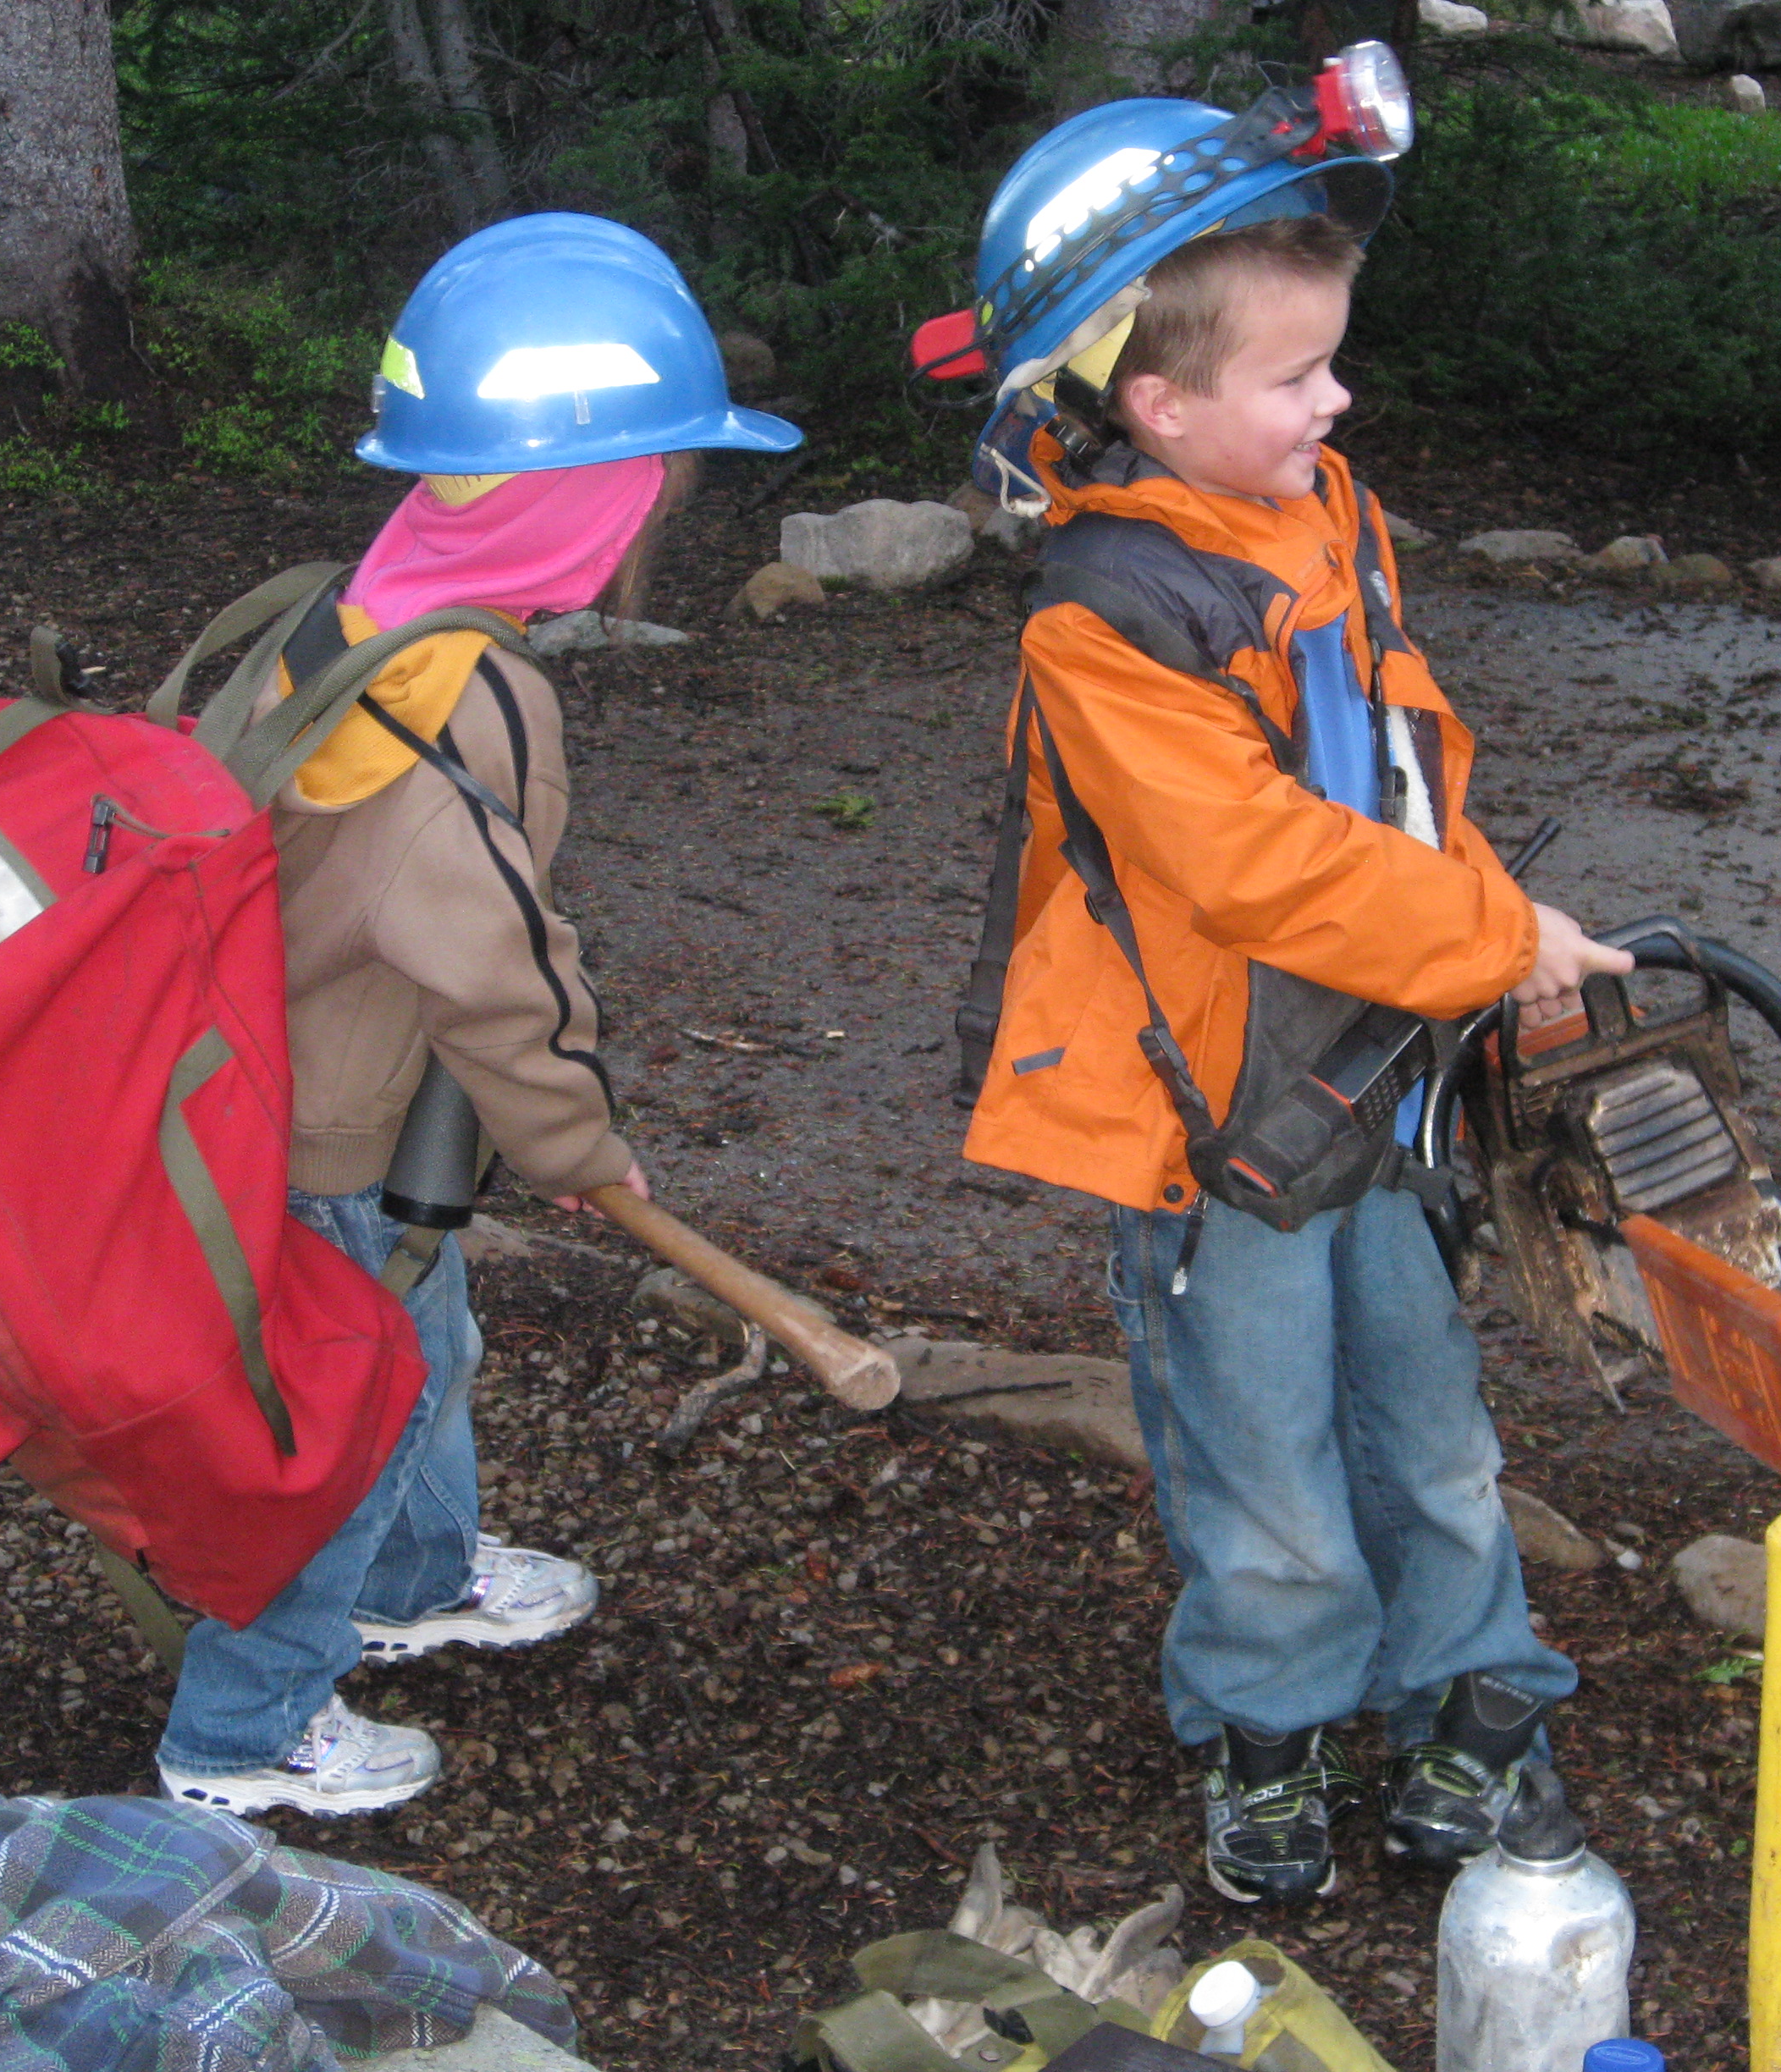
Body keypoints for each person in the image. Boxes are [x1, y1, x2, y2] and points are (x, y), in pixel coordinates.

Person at [940, 81, 1633, 1904]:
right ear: (1158, 407)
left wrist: (1493, 932)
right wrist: (1494, 940)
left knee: (1433, 1433)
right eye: (1296, 374)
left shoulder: (1328, 513)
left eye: (1332, 365)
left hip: (1377, 1088)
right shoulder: (1103, 620)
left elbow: (1404, 767)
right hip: (1215, 1125)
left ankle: (1476, 1700)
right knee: (1262, 1471)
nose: (1337, 402)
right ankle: (1265, 1734)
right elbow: (1255, 864)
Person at [153, 214, 802, 1815]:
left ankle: (423, 1578)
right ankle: (242, 1736)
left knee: (423, 1343)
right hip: (327, 1131)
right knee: (350, 1413)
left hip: (267, 1079)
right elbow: (501, 960)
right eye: (660, 488)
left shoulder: (345, 608)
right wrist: (580, 1146)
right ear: (592, 504)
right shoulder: (470, 700)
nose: (664, 516)